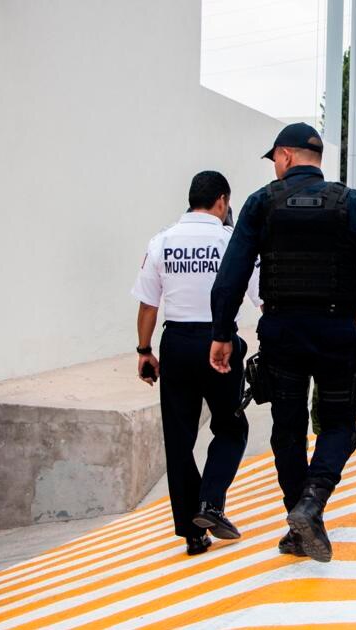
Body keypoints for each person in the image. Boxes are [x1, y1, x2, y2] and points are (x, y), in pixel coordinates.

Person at [209, 122, 356, 562]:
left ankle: (299, 517)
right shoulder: (350, 203)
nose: (275, 166)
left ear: (287, 156)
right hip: (335, 333)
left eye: (274, 158)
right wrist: (354, 298)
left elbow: (231, 278)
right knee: (340, 425)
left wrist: (221, 333)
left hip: (282, 334)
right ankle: (311, 505)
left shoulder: (261, 203)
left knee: (287, 430)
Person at [131, 171, 259, 556]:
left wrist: (143, 351)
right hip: (219, 342)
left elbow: (148, 304)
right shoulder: (230, 241)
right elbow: (261, 298)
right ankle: (211, 503)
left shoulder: (162, 242)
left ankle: (192, 532)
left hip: (177, 343)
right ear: (222, 201)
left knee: (179, 439)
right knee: (231, 427)